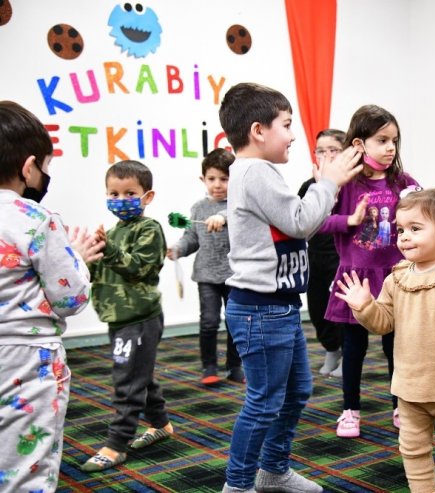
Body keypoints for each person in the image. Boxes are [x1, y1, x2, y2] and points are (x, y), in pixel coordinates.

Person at [218, 82, 363, 493]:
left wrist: (328, 185)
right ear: (258, 131)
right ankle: (239, 485)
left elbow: (299, 221)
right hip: (260, 310)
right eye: (286, 124)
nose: (294, 134)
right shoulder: (255, 172)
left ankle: (273, 471)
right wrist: (329, 182)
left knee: (297, 390)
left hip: (277, 306)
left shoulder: (260, 172)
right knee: (263, 402)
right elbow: (302, 221)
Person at [335, 188, 435, 492]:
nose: (403, 237)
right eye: (400, 229)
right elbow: (383, 323)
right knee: (413, 451)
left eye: (415, 229)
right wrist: (365, 306)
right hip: (409, 388)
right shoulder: (397, 278)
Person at [0, 100, 103, 492]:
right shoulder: (35, 219)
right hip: (27, 362)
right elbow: (70, 299)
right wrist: (78, 259)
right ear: (29, 168)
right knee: (26, 463)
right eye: (44, 168)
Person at [320, 104, 420, 438]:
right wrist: (349, 221)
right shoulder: (344, 184)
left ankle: (400, 405)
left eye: (394, 140)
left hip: (395, 278)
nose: (391, 147)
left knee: (397, 348)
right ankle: (350, 410)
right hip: (356, 279)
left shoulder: (403, 183)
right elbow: (317, 221)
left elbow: (423, 218)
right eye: (382, 140)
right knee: (354, 348)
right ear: (360, 144)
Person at [81, 160, 174, 472]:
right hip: (118, 317)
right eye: (113, 193)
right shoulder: (112, 232)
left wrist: (108, 250)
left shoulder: (149, 229)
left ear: (147, 196)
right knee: (139, 374)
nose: (120, 200)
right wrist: (84, 255)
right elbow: (98, 271)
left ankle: (116, 444)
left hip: (140, 318)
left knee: (127, 380)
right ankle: (161, 423)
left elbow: (140, 269)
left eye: (129, 193)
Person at [167, 148, 243, 386]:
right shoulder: (198, 209)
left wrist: (222, 217)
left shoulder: (239, 205)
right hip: (207, 276)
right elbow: (191, 237)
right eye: (212, 179)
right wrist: (178, 249)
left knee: (236, 323)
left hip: (235, 276)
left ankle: (235, 365)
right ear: (203, 180)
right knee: (209, 321)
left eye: (224, 179)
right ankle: (209, 365)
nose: (217, 185)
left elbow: (232, 216)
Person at [297, 129, 346, 377]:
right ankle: (331, 349)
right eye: (320, 151)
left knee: (344, 310)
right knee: (317, 308)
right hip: (315, 256)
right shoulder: (309, 186)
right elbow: (298, 219)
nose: (326, 156)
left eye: (333, 150)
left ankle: (348, 353)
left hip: (343, 257)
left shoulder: (351, 184)